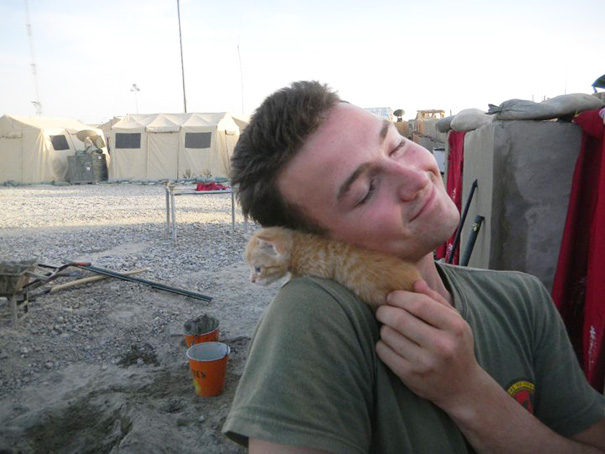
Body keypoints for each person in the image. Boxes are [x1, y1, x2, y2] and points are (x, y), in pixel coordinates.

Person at [222, 81, 605, 453]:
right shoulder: (315, 313)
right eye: (365, 191)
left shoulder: (522, 298)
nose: (415, 178)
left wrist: (469, 391)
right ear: (322, 241)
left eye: (397, 146)